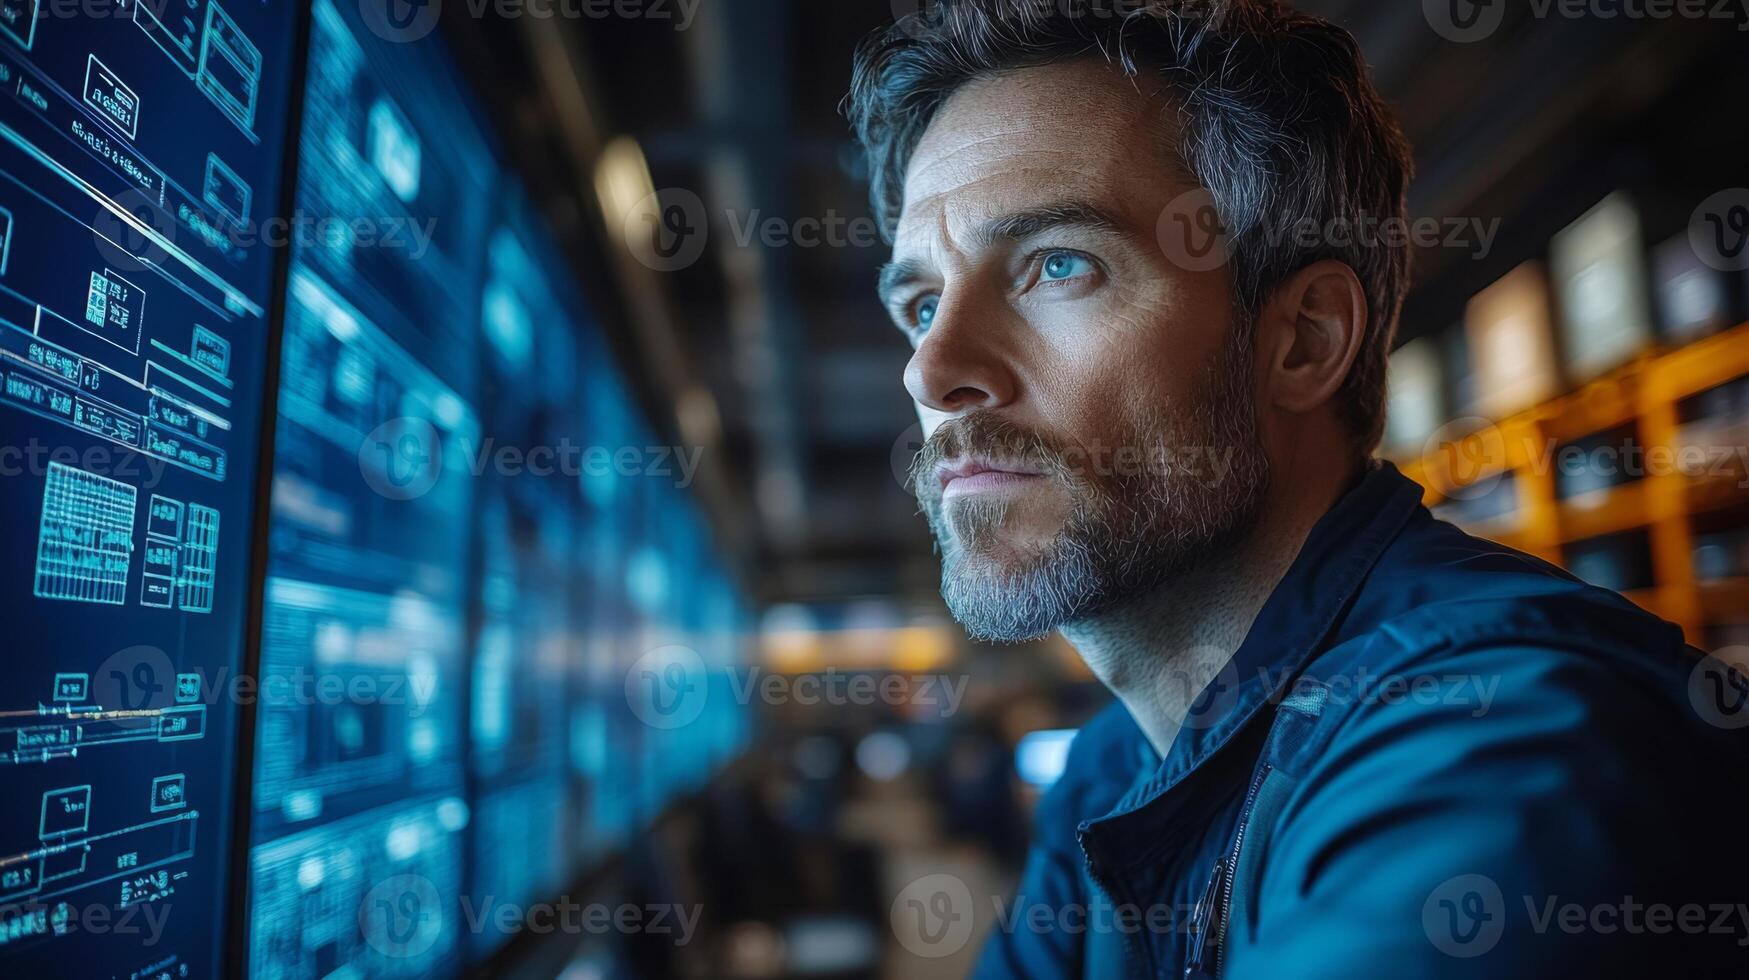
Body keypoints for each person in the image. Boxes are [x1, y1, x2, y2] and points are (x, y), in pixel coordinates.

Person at [844, 0, 1749, 974]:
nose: (931, 373)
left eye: (1057, 265)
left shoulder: (1495, 736)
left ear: (1305, 339)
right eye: (924, 302)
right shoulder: (1115, 770)